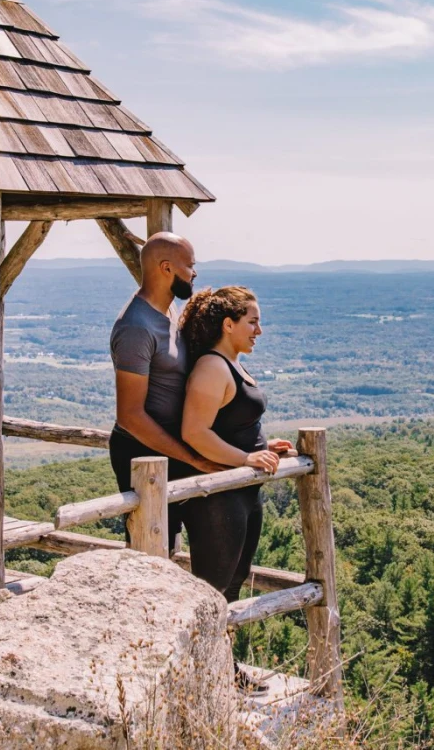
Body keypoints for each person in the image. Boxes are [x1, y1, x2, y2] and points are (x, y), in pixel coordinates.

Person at [178, 286, 293, 602]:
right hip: (219, 498)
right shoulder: (212, 367)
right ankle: (200, 651)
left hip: (241, 492)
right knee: (212, 590)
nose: (259, 330)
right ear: (228, 325)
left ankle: (221, 650)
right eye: (252, 322)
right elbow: (195, 432)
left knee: (233, 583)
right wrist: (246, 458)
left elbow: (228, 425)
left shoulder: (231, 363)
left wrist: (263, 448)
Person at [109, 232, 219, 552]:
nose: (194, 273)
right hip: (143, 454)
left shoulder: (168, 312)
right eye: (190, 266)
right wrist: (192, 457)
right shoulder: (136, 327)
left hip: (171, 447)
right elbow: (130, 416)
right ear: (167, 268)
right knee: (153, 550)